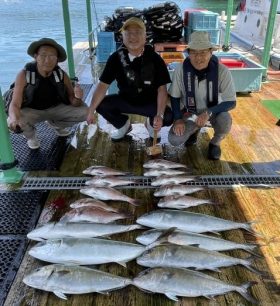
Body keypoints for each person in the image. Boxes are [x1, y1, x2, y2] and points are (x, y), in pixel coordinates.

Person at [86, 17, 173, 141]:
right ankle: (123, 125)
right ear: (122, 36)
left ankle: (150, 124)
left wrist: (159, 115)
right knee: (100, 105)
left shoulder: (155, 59)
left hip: (149, 102)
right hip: (126, 100)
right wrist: (91, 110)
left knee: (168, 116)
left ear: (145, 36)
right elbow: (102, 86)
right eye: (128, 33)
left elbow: (162, 89)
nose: (133, 37)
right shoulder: (115, 58)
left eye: (137, 32)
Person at [7, 38, 88, 149]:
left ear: (57, 60)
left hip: (55, 108)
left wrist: (78, 97)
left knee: (86, 112)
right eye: (43, 55)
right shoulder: (24, 74)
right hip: (32, 110)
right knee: (14, 121)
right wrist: (13, 119)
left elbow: (73, 101)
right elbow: (15, 103)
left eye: (52, 56)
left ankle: (55, 124)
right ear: (35, 57)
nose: (47, 60)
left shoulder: (61, 75)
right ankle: (31, 136)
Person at [168, 31, 236, 160]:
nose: (199, 58)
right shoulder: (180, 70)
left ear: (211, 52)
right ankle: (194, 130)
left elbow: (231, 102)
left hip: (214, 111)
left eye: (203, 52)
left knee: (225, 120)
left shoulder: (222, 71)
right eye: (194, 52)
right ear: (188, 53)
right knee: (174, 139)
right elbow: (174, 96)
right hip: (190, 112)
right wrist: (178, 119)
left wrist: (208, 112)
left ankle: (215, 143)